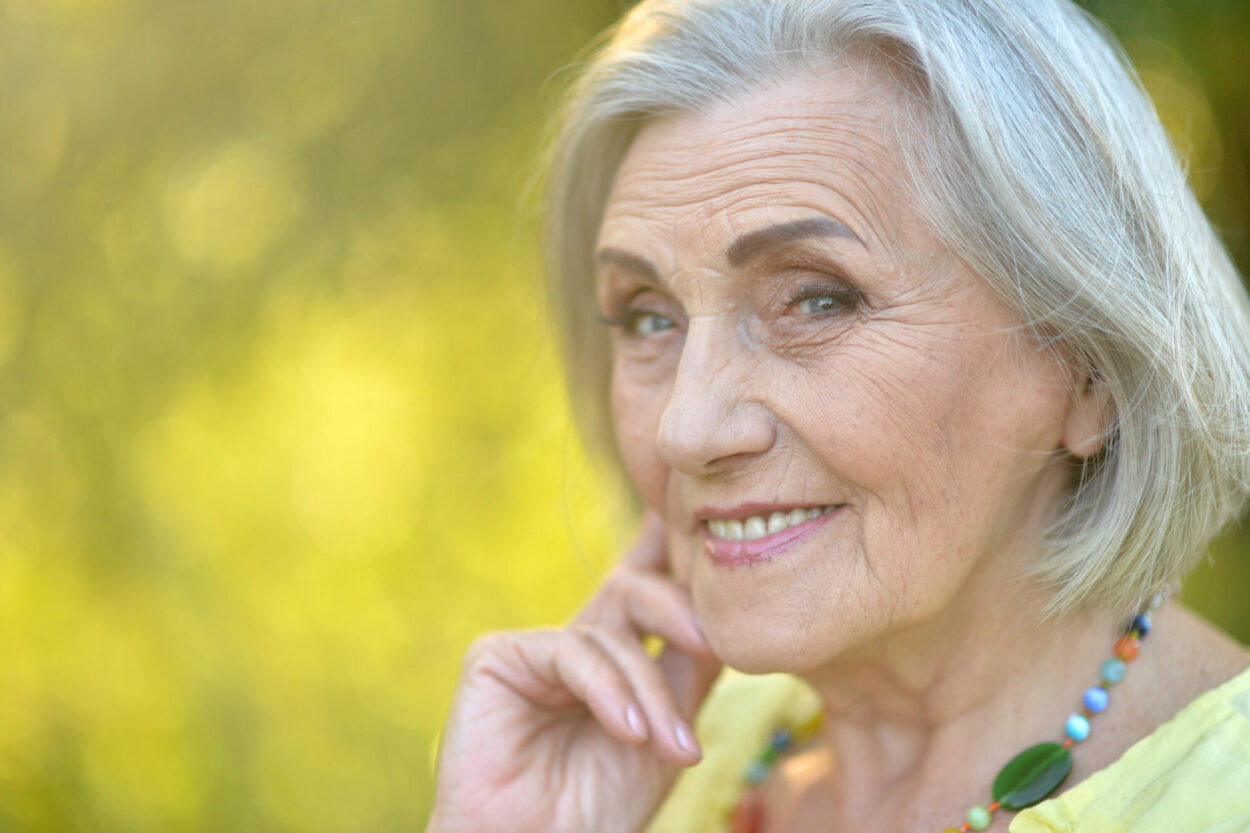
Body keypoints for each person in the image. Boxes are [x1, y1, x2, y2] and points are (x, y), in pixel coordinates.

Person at [427, 0, 1250, 830]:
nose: (686, 428)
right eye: (648, 317)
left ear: (1089, 370)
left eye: (817, 300)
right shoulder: (645, 762)